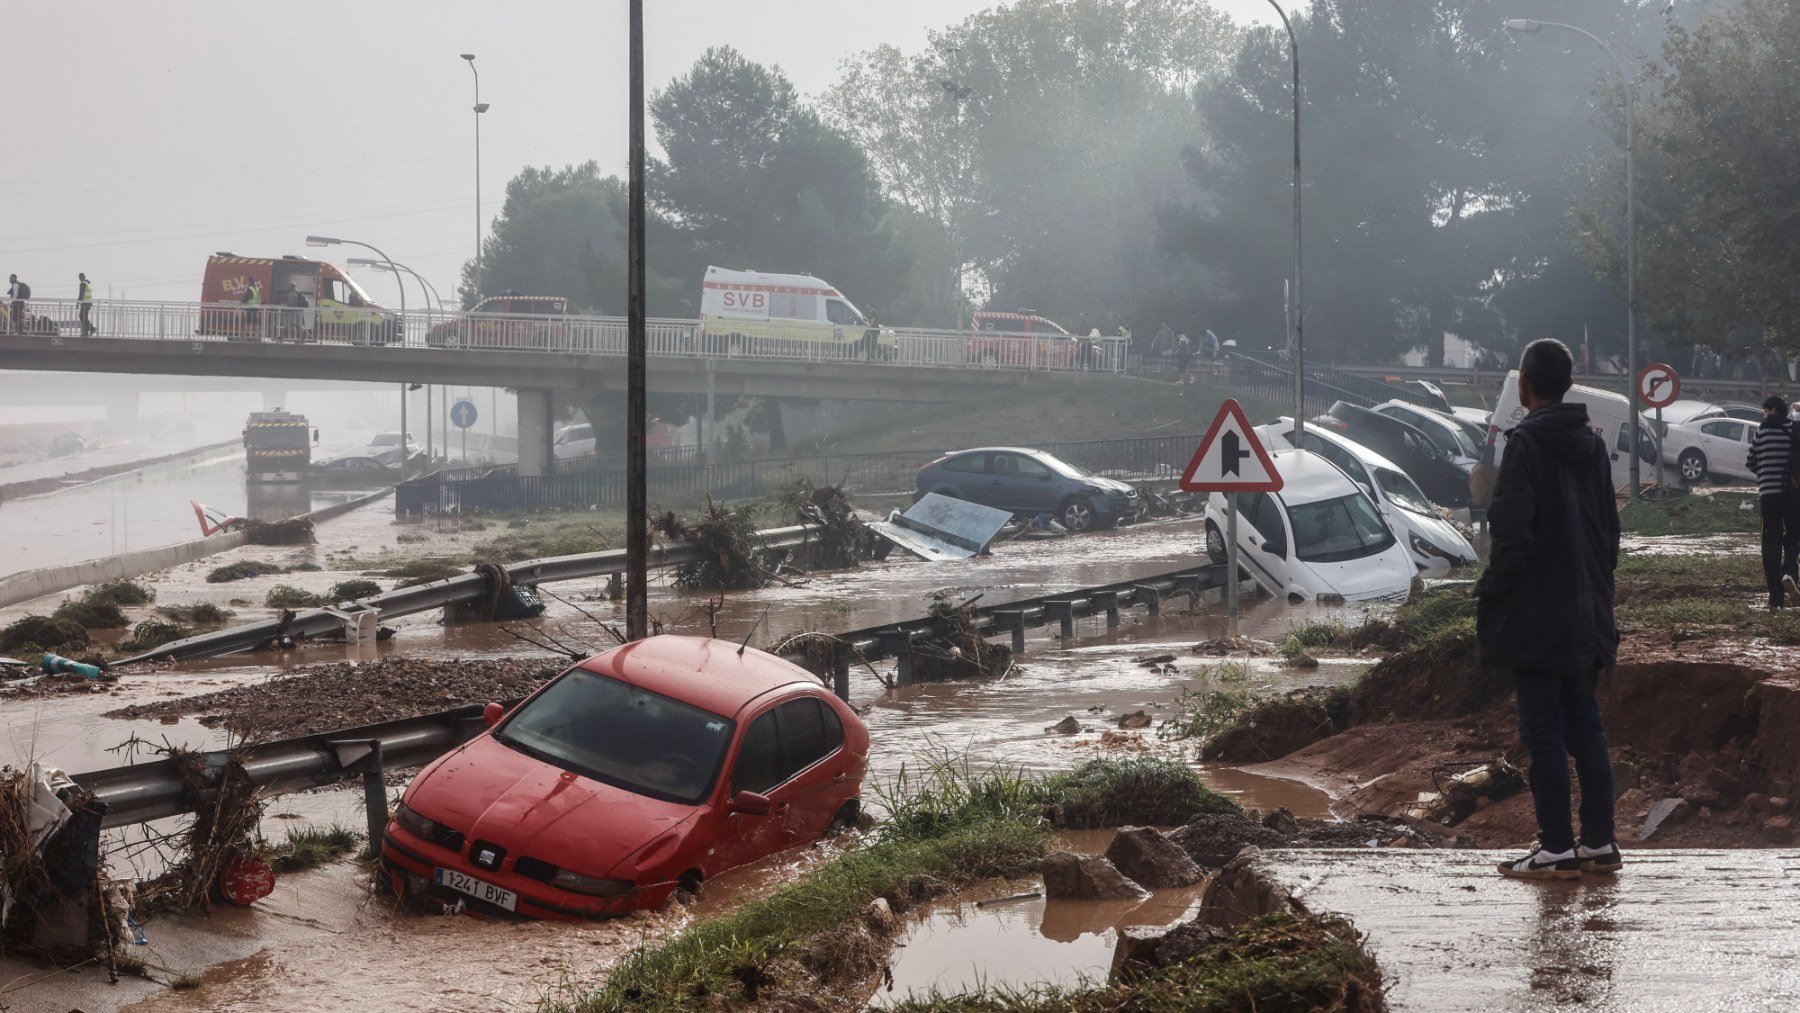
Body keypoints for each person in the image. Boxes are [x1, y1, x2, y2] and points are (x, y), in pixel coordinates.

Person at [1479, 338, 1622, 881]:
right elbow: (1610, 532)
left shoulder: (1525, 444)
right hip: (1588, 614)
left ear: (1524, 385)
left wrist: (1494, 593)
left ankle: (1556, 846)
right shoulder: (1593, 447)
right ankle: (1600, 843)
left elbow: (1511, 534)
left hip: (1539, 617)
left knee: (1542, 732)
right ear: (1566, 383)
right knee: (1585, 725)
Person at [1746, 395, 1800, 609]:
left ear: (1772, 410)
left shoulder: (1761, 432)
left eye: (1765, 410)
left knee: (1770, 543)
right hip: (1792, 494)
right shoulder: (1794, 430)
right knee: (1794, 536)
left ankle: (1775, 598)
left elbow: (1750, 462)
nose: (1764, 415)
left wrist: (1766, 472)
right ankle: (1789, 571)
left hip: (1768, 495)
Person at [77, 272, 95, 336]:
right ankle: (87, 331)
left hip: (84, 303)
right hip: (89, 302)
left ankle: (90, 329)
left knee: (82, 316)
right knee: (84, 317)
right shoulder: (88, 283)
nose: (79, 278)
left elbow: (81, 295)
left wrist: (77, 303)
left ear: (81, 277)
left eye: (79, 277)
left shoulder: (83, 284)